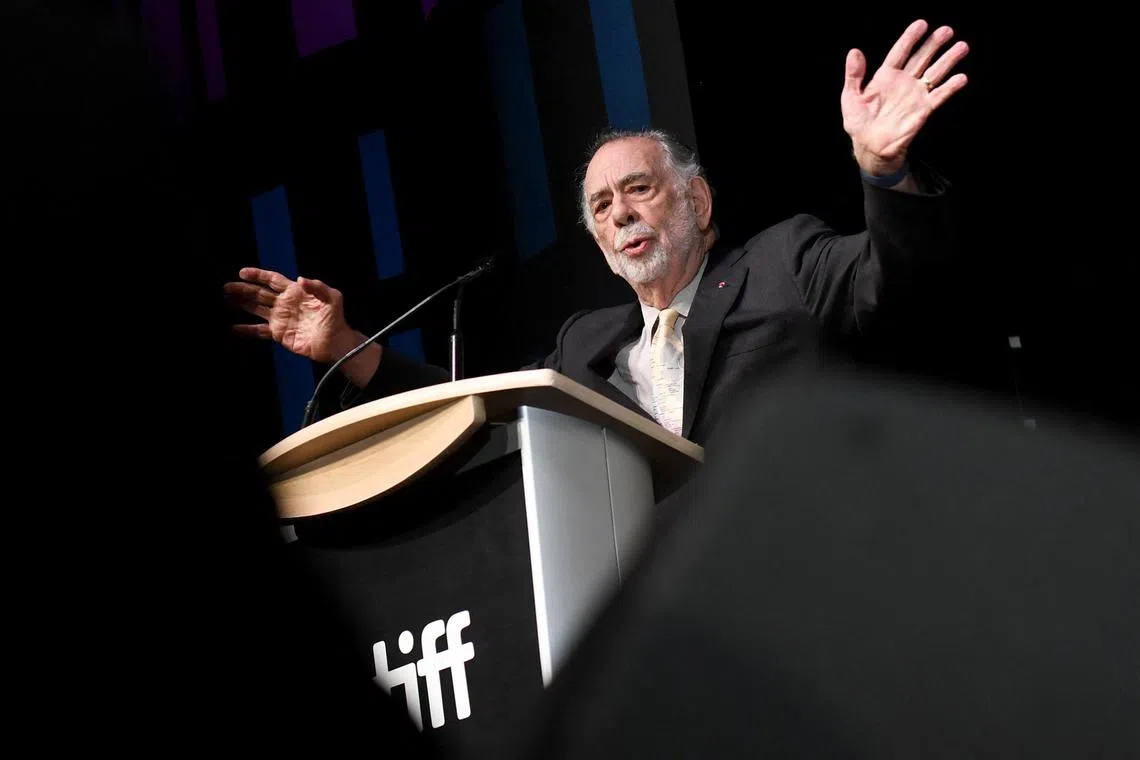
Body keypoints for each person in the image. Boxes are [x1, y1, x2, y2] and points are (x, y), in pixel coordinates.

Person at [225, 19, 969, 445]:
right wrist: (346, 348)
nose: (620, 213)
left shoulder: (785, 260)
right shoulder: (584, 345)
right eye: (603, 206)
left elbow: (899, 281)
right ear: (602, 248)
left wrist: (880, 173)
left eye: (639, 189)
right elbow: (472, 409)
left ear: (699, 203)